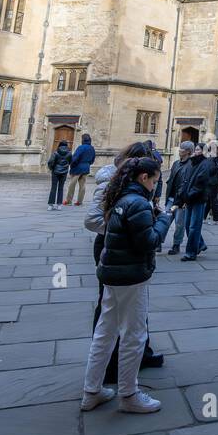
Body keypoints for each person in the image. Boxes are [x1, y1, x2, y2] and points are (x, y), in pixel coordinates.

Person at [80, 155, 171, 414]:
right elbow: (149, 241)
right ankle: (129, 394)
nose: (155, 186)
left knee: (105, 332)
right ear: (144, 178)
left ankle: (91, 391)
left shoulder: (118, 197)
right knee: (134, 334)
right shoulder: (138, 202)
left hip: (110, 273)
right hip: (130, 275)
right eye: (154, 180)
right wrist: (164, 218)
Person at [179, 143, 213, 261]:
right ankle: (200, 244)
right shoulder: (192, 162)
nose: (195, 151)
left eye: (198, 149)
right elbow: (186, 180)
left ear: (203, 152)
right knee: (188, 225)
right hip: (189, 199)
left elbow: (200, 183)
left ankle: (191, 253)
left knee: (194, 226)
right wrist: (183, 195)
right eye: (196, 149)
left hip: (198, 199)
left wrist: (189, 195)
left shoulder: (205, 163)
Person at [165, 140, 197, 254]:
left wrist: (185, 199)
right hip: (171, 198)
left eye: (181, 149)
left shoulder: (192, 165)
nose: (179, 150)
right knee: (165, 220)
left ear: (188, 151)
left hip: (182, 200)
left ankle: (176, 244)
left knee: (179, 224)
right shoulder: (176, 163)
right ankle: (158, 243)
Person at [65, 133, 96, 206]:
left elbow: (75, 157)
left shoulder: (81, 147)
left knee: (72, 184)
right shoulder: (92, 148)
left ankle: (69, 201)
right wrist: (88, 163)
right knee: (82, 185)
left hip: (78, 167)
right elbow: (93, 159)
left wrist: (72, 164)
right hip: (86, 167)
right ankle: (79, 201)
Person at [47, 139, 72, 210]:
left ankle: (50, 205)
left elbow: (51, 162)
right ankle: (59, 205)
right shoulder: (69, 153)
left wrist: (51, 168)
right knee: (61, 188)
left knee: (53, 188)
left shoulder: (55, 153)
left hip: (55, 172)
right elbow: (70, 162)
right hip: (64, 172)